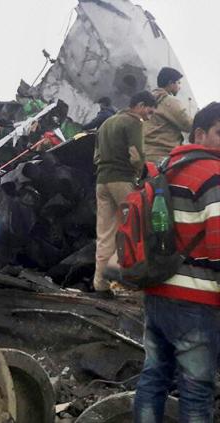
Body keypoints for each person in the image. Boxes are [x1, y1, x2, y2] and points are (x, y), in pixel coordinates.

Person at [134, 102, 220, 422]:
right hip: (195, 301)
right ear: (200, 133)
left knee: (153, 379)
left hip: (156, 289)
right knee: (196, 391)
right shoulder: (213, 174)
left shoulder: (164, 166)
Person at [93, 91, 157, 293]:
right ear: (139, 105)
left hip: (102, 181)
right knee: (133, 227)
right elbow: (137, 156)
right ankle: (115, 270)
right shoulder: (134, 122)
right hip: (122, 180)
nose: (151, 114)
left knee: (105, 233)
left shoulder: (106, 124)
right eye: (150, 108)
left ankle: (100, 284)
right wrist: (138, 175)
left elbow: (96, 156)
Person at [144, 67, 193, 163]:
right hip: (163, 157)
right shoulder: (169, 101)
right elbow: (188, 124)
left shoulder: (147, 100)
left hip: (146, 154)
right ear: (171, 83)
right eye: (178, 83)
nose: (180, 87)